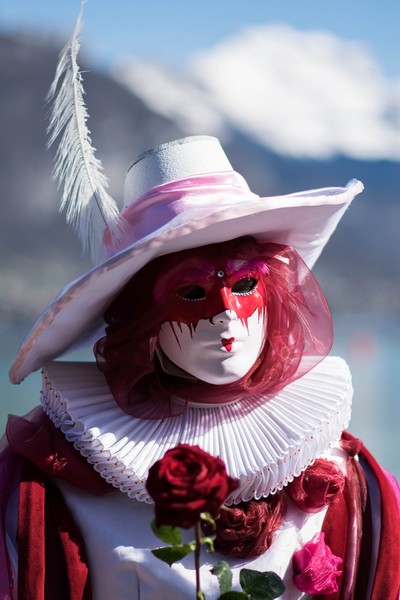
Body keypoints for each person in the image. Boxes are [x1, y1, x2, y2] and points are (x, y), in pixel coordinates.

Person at [1, 134, 399, 600]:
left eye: (246, 284)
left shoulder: (343, 467)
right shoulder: (62, 476)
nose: (227, 315)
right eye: (192, 294)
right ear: (141, 319)